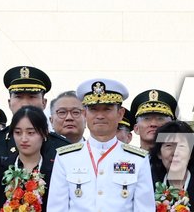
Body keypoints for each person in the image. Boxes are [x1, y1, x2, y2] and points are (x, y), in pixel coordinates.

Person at [47, 79, 150, 212]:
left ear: (120, 114)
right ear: (85, 114)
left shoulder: (138, 159)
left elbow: (145, 208)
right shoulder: (65, 157)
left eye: (107, 109)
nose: (100, 115)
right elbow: (57, 208)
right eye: (94, 109)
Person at [0, 68, 68, 176]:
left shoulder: (62, 148)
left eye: (32, 97)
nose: (25, 104)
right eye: (18, 97)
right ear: (9, 103)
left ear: (44, 103)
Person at [0, 107, 52, 212]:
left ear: (44, 133)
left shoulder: (54, 170)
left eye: (31, 133)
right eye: (18, 132)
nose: (23, 139)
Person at [150, 120, 194, 212]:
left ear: (191, 153)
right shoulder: (150, 188)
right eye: (168, 145)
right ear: (159, 153)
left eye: (181, 146)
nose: (175, 153)